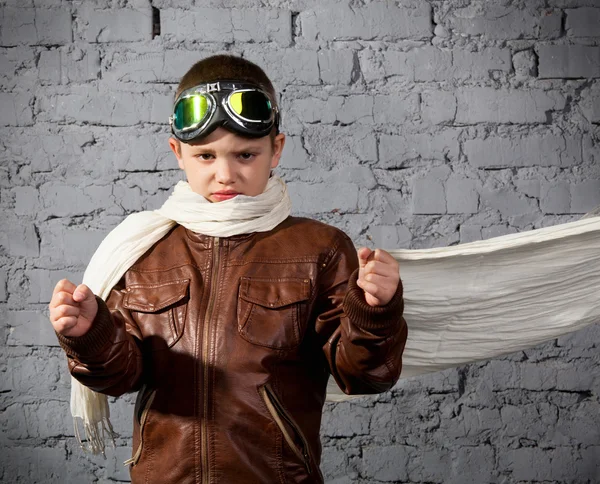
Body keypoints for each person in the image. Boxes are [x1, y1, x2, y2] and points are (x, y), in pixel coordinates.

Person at [49, 54, 408, 483]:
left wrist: (375, 311)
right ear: (177, 152)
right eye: (205, 156)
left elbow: (364, 376)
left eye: (245, 154)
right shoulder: (142, 249)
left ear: (276, 150)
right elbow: (123, 375)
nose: (225, 174)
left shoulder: (320, 249)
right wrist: (90, 336)